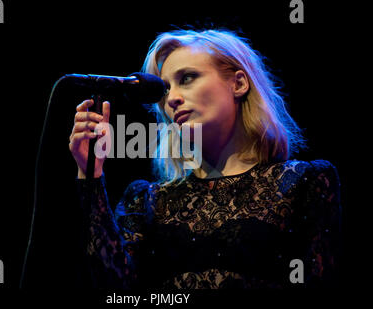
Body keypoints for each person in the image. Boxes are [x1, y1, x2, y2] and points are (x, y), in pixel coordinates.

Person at [69, 29, 341, 289]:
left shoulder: (302, 184)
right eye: (164, 90)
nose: (172, 98)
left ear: (239, 83)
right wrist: (89, 172)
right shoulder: (148, 200)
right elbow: (113, 290)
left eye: (187, 78)